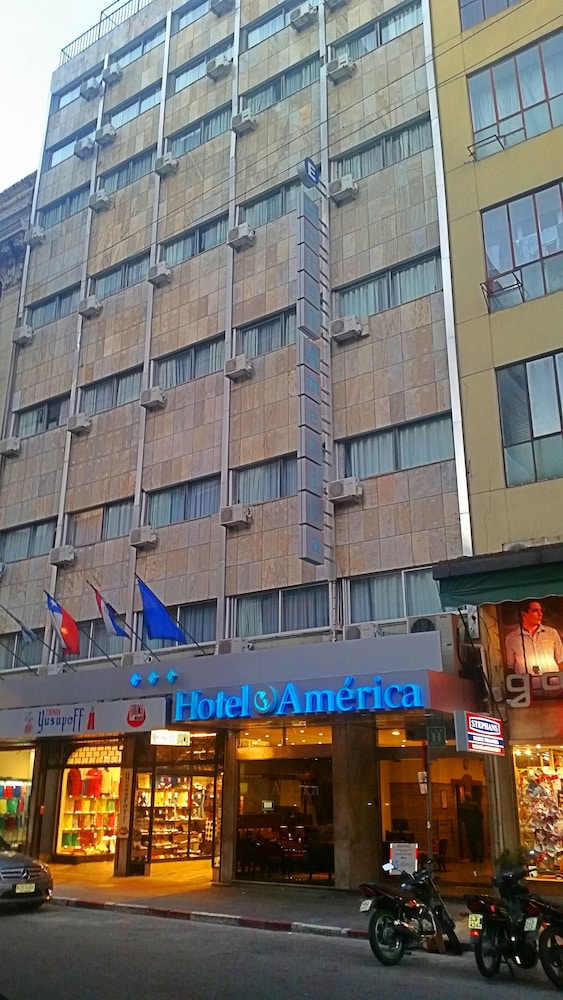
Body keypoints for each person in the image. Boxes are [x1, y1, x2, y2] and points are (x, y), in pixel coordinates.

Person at [505, 599, 563, 675]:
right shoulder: (511, 638)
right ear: (524, 614)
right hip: (527, 681)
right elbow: (510, 665)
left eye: (540, 610)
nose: (540, 614)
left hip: (551, 681)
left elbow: (560, 660)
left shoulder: (552, 633)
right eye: (535, 611)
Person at [459, 792, 484, 863]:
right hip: (477, 826)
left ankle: (474, 857)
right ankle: (480, 856)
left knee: (471, 842)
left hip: (469, 827)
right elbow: (481, 815)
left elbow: (462, 817)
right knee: (478, 841)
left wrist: (466, 822)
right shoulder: (476, 805)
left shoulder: (463, 806)